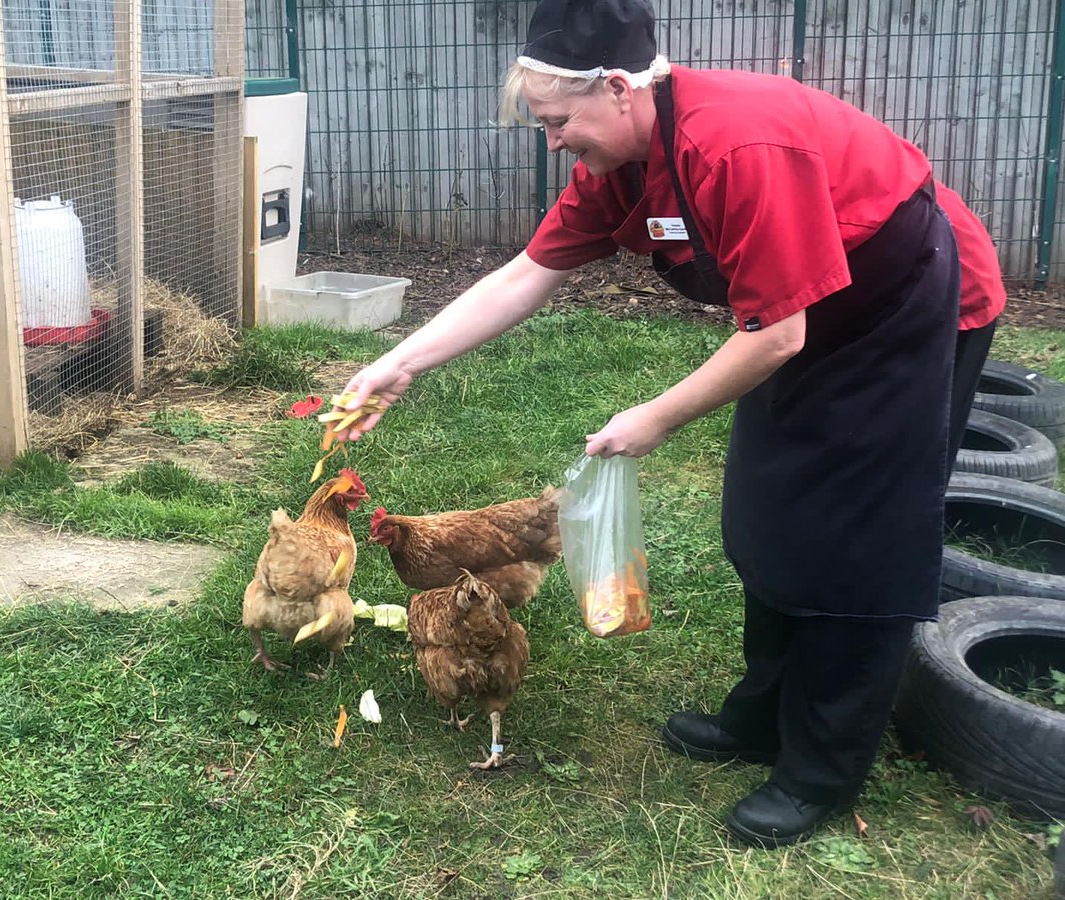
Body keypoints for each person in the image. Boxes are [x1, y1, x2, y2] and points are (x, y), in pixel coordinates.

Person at [335, 0, 1006, 848]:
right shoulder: (623, 164)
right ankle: (762, 717)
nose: (552, 142)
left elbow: (779, 334)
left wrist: (655, 416)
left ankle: (821, 771)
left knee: (855, 540)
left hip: (904, 308)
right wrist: (400, 364)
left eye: (557, 122)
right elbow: (525, 275)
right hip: (797, 318)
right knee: (769, 512)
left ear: (618, 88)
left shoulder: (735, 145)